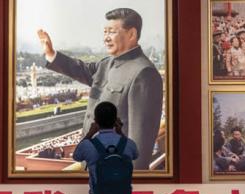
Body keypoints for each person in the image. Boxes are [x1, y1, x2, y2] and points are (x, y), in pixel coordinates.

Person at [38, 8, 163, 170]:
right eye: (105, 32)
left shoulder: (144, 73)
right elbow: (80, 69)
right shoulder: (106, 64)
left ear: (132, 34)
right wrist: (51, 54)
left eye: (111, 32)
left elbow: (140, 142)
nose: (106, 38)